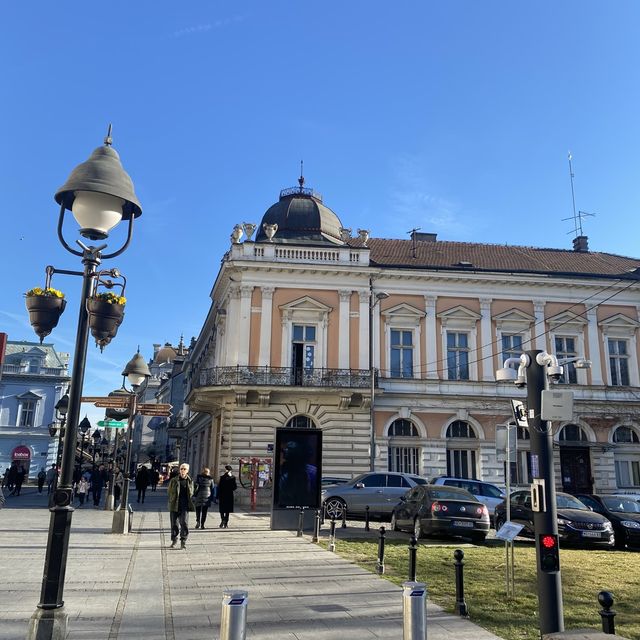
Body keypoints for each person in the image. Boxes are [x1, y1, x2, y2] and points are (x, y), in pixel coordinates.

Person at [167, 463, 194, 549]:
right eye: (181, 469)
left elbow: (192, 492)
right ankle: (174, 540)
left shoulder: (190, 481)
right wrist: (172, 499)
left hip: (184, 505)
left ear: (187, 471)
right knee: (174, 524)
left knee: (184, 523)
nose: (183, 470)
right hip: (174, 504)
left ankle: (183, 541)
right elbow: (169, 491)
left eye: (184, 469)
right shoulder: (174, 480)